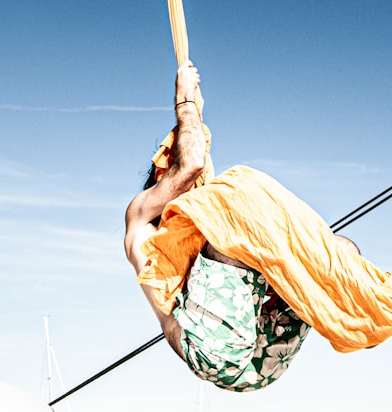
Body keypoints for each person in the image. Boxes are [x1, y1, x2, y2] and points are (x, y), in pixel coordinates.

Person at [124, 60, 364, 391]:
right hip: (211, 352)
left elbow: (199, 165)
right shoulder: (139, 218)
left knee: (341, 248)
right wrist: (184, 102)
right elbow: (192, 164)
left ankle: (361, 321)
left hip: (263, 361)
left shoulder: (199, 231)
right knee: (234, 224)